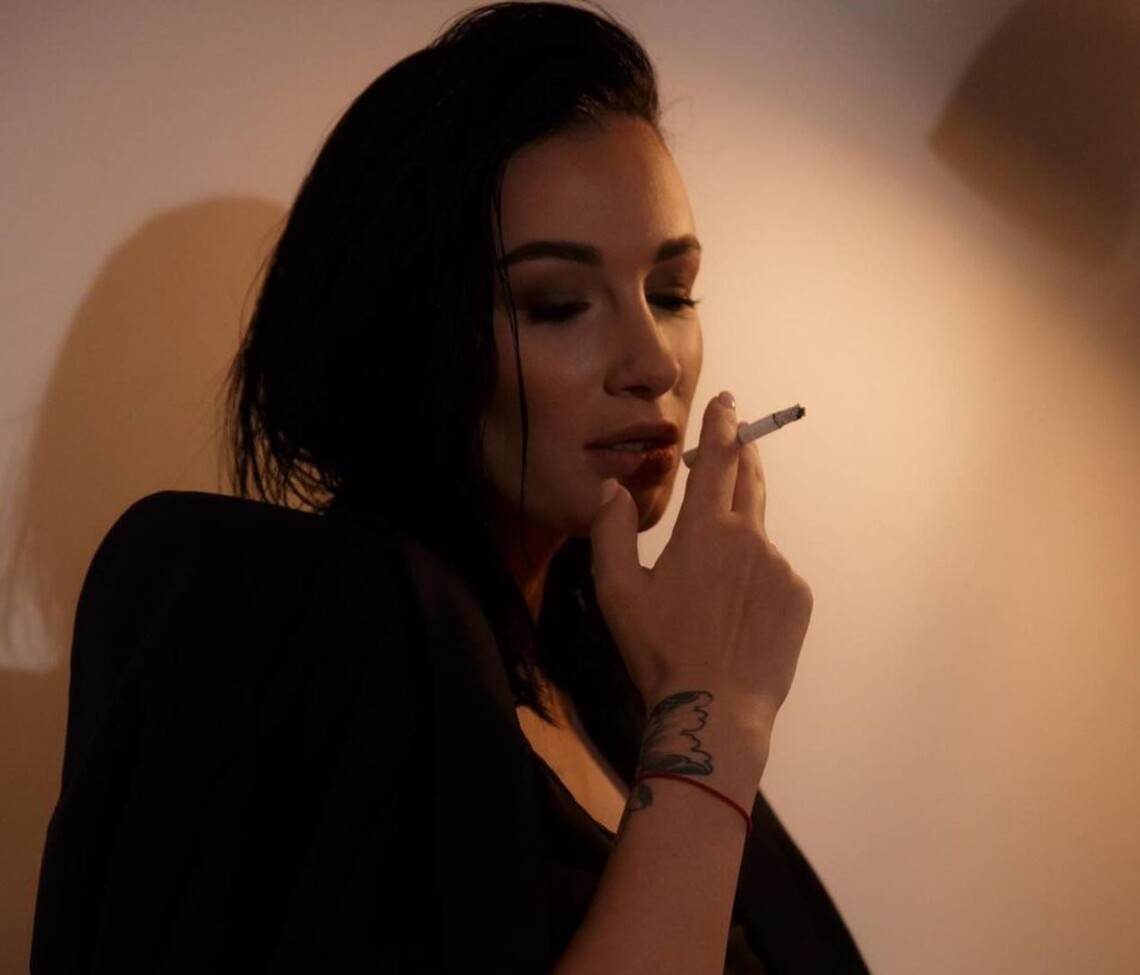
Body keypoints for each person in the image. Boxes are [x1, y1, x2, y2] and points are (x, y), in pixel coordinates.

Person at [31, 3, 870, 972]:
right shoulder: (323, 624)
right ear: (410, 342)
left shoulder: (609, 690)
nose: (654, 363)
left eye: (671, 293)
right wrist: (716, 718)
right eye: (556, 304)